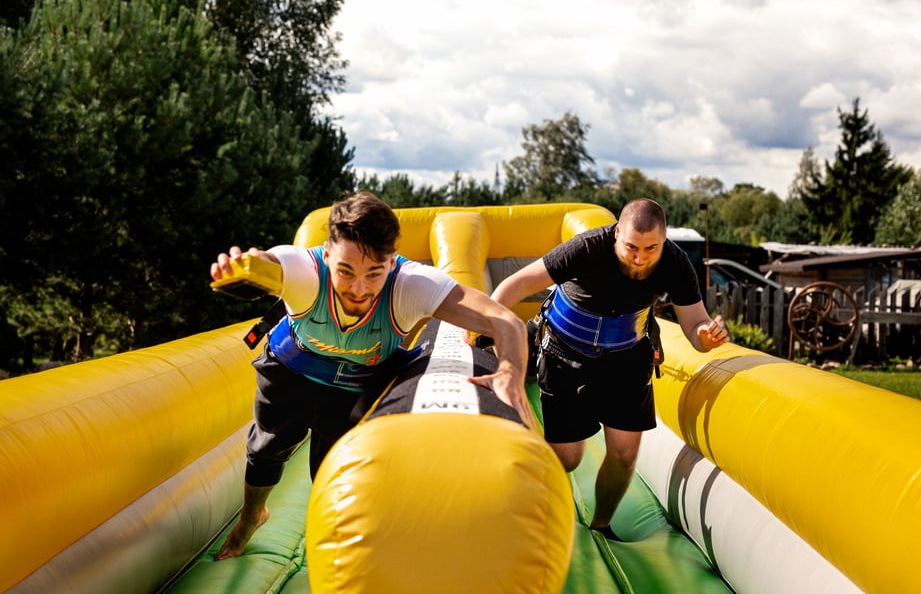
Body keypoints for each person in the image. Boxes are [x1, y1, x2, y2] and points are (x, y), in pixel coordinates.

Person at [209, 191, 532, 560]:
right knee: (265, 450)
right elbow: (271, 262)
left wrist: (510, 371)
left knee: (335, 470)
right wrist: (246, 265)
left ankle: (342, 548)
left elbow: (504, 320)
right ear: (327, 255)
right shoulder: (304, 272)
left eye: (374, 273)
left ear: (392, 262)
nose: (358, 289)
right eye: (345, 271)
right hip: (291, 369)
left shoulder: (412, 285)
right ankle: (251, 517)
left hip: (354, 384)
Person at [490, 198, 729, 539]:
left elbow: (695, 327)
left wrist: (706, 335)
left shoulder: (675, 263)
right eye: (632, 246)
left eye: (651, 248)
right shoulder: (587, 248)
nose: (640, 257)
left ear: (664, 240)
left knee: (624, 453)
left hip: (627, 355)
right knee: (568, 457)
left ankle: (602, 524)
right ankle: (527, 509)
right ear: (617, 233)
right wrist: (487, 325)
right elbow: (517, 284)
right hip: (566, 351)